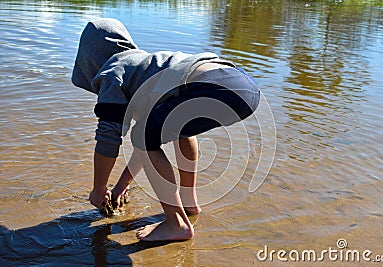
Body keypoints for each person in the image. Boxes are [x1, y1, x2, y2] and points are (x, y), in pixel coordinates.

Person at [71, 18, 260, 242]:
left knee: (144, 135)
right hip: (243, 84)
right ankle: (189, 203)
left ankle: (176, 223)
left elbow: (108, 138)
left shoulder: (112, 74)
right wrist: (121, 186)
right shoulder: (142, 65)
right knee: (166, 132)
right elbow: (145, 138)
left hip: (214, 86)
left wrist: (98, 188)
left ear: (90, 61)